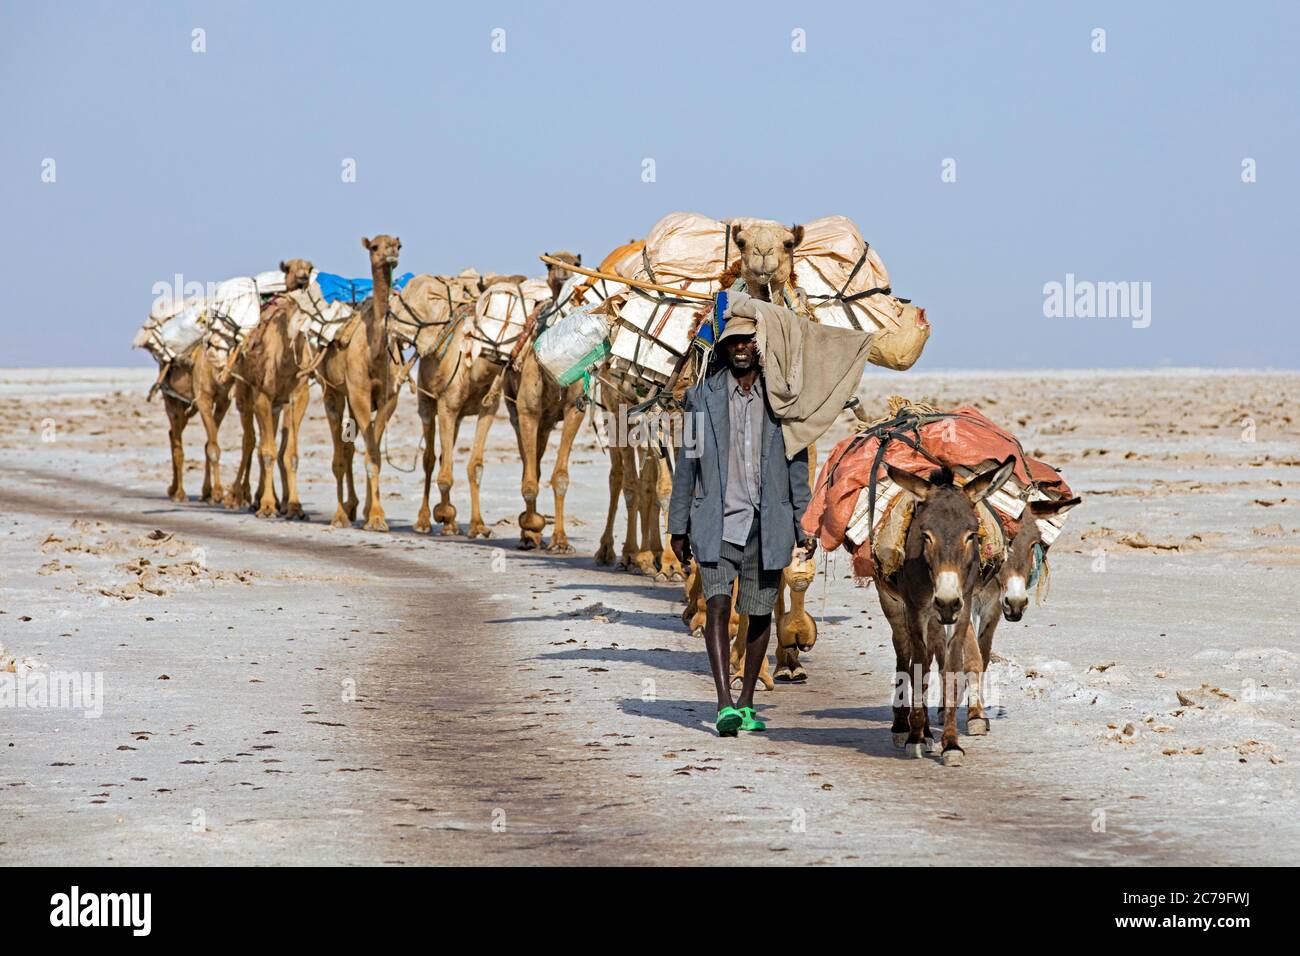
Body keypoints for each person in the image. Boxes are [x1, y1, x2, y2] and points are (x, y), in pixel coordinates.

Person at [668, 305, 815, 737]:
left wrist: (802, 523)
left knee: (759, 612)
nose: (742, 348)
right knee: (716, 606)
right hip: (716, 521)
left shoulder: (781, 402)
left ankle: (748, 701)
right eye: (734, 341)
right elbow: (687, 463)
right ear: (724, 347)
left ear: (760, 347)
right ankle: (723, 703)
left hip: (767, 527)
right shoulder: (701, 398)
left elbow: (797, 466)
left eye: (749, 340)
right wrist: (678, 526)